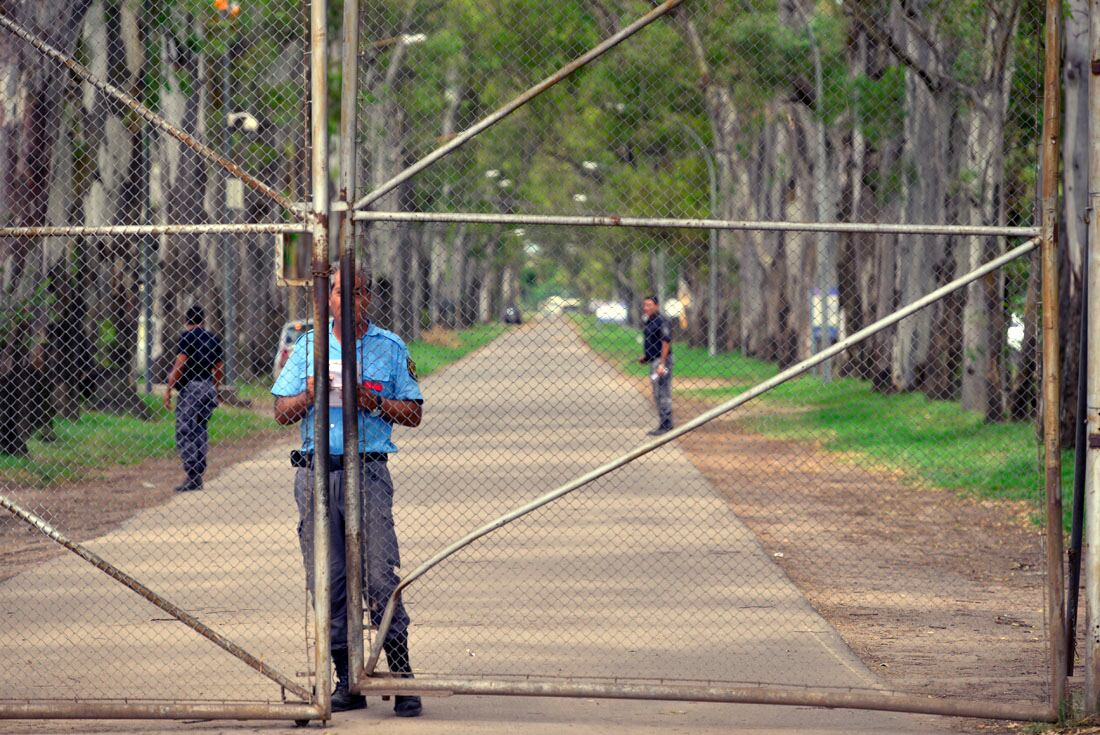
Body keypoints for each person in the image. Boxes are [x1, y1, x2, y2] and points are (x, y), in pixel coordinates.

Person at [271, 268, 424, 717]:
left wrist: (373, 402)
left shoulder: (389, 348)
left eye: (357, 293)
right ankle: (346, 680)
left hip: (368, 473)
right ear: (327, 298)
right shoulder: (308, 347)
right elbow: (280, 412)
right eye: (339, 292)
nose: (348, 300)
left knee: (379, 576)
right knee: (329, 580)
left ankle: (402, 675)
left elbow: (414, 413)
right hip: (318, 473)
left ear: (367, 298)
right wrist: (309, 397)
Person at [164, 305, 223, 493]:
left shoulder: (187, 337)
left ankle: (192, 473)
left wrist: (169, 388)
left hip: (191, 388)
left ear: (186, 320)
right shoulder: (213, 339)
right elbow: (219, 367)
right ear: (203, 320)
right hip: (207, 385)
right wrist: (216, 387)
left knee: (185, 429)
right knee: (200, 427)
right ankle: (199, 466)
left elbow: (180, 364)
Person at [638, 296, 673, 435]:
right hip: (654, 360)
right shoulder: (649, 321)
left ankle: (666, 424)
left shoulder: (662, 321)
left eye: (650, 305)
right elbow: (653, 342)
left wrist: (662, 364)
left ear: (657, 306)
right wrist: (646, 357)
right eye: (645, 305)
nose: (646, 308)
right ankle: (663, 422)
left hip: (662, 361)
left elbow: (666, 341)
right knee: (657, 393)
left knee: (662, 392)